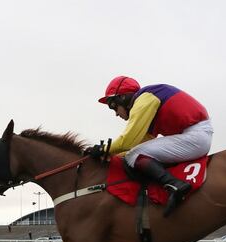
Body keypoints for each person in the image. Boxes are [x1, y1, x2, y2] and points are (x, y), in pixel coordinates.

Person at [88, 76, 213, 216]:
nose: (116, 114)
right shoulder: (148, 101)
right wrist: (112, 156)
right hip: (196, 134)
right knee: (134, 154)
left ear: (122, 98)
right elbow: (142, 142)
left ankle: (174, 184)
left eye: (113, 107)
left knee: (134, 155)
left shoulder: (144, 99)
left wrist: (103, 149)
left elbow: (128, 141)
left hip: (195, 136)